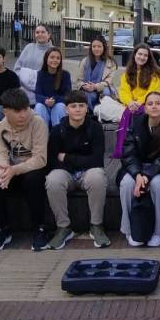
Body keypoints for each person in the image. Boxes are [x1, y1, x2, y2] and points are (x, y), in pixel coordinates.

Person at [0, 88, 51, 252]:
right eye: (17, 111)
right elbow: (0, 154)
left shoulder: (38, 123)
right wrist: (3, 169)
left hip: (35, 168)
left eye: (25, 109)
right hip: (13, 169)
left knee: (33, 179)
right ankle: (2, 228)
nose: (23, 115)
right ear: (5, 111)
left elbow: (40, 159)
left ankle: (39, 228)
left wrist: (14, 170)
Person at [45, 91, 109, 249]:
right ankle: (63, 227)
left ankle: (96, 225)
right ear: (66, 109)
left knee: (98, 177)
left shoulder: (95, 128)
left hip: (88, 173)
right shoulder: (57, 130)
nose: (78, 109)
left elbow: (97, 160)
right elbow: (53, 160)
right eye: (73, 106)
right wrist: (75, 163)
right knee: (53, 180)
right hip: (66, 173)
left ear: (87, 108)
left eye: (81, 105)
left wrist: (67, 157)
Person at [118, 91, 160, 248]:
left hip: (159, 169)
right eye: (150, 103)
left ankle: (158, 231)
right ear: (145, 108)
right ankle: (129, 229)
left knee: (157, 185)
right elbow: (128, 153)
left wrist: (147, 175)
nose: (154, 106)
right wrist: (137, 174)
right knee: (126, 184)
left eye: (158, 103)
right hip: (136, 167)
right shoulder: (136, 124)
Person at [114, 45, 160, 158]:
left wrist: (138, 103)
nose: (142, 57)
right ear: (134, 55)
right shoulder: (126, 74)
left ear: (148, 58)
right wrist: (130, 102)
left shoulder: (154, 75)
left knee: (137, 112)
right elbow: (123, 91)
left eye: (145, 55)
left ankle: (137, 149)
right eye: (140, 54)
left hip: (147, 104)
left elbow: (152, 93)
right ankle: (124, 148)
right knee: (129, 112)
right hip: (130, 105)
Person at [77, 35, 118, 109]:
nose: (96, 49)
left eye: (99, 46)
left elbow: (108, 81)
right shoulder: (85, 61)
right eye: (94, 46)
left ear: (104, 47)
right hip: (87, 88)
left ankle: (103, 111)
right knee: (87, 95)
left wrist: (95, 87)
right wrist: (84, 86)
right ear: (91, 48)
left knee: (106, 92)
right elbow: (79, 80)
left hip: (102, 88)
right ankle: (90, 112)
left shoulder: (111, 63)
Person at [34, 47, 71, 127]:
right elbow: (37, 94)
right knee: (39, 106)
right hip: (45, 105)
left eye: (58, 58)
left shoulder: (65, 75)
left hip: (58, 105)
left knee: (60, 106)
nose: (55, 60)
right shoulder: (41, 74)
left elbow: (68, 95)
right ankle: (42, 133)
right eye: (52, 57)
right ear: (46, 59)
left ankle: (58, 132)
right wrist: (45, 100)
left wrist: (54, 100)